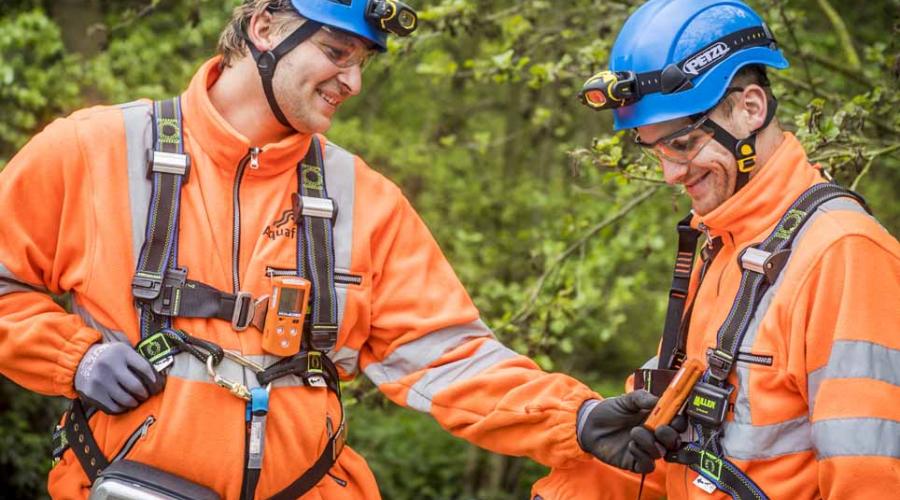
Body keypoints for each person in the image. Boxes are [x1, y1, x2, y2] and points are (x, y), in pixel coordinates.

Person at [0, 1, 662, 498]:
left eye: (362, 61)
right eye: (337, 52)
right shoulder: (93, 150)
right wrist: (72, 356)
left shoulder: (364, 200)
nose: (352, 82)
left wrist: (573, 419)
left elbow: (448, 359)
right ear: (264, 27)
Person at [532, 0, 900, 498]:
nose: (670, 174)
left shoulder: (843, 253)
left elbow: (871, 477)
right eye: (655, 149)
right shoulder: (724, 246)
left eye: (681, 144)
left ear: (750, 108)